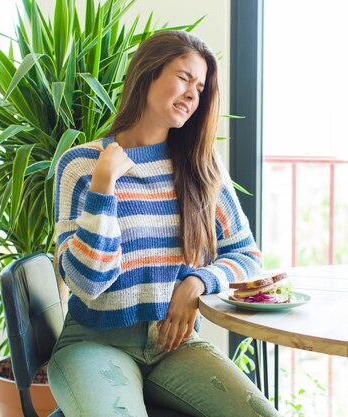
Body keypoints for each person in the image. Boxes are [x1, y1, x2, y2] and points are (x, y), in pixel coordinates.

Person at [48, 30, 281, 417]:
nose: (193, 94)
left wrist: (197, 283)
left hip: (175, 346)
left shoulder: (201, 168)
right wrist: (104, 187)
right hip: (93, 345)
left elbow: (247, 255)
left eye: (201, 87)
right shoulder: (80, 165)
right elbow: (87, 283)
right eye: (184, 77)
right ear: (147, 74)